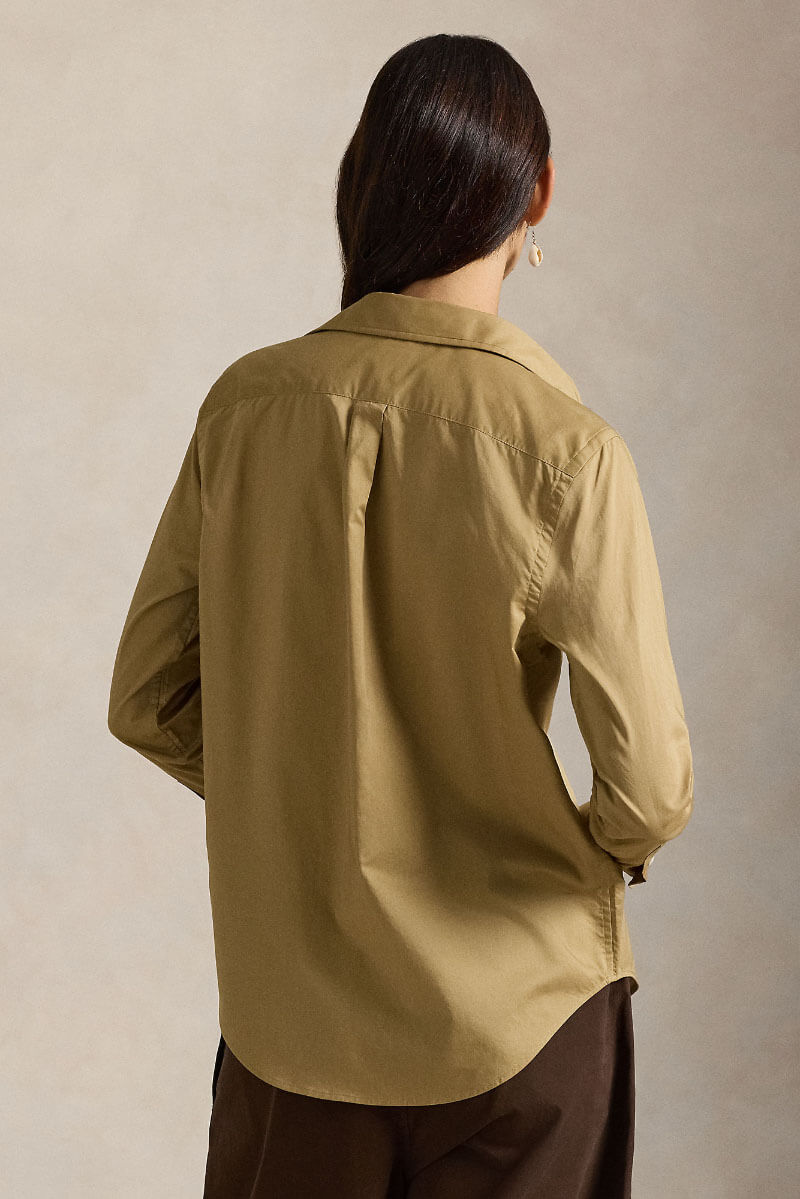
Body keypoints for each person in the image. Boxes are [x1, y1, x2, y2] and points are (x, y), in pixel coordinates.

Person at [107, 32, 694, 1199]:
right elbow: (648, 794)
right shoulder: (566, 449)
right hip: (519, 1019)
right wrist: (562, 851)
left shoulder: (244, 408)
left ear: (362, 183)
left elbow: (147, 697)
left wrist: (302, 797)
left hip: (290, 1027)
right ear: (535, 192)